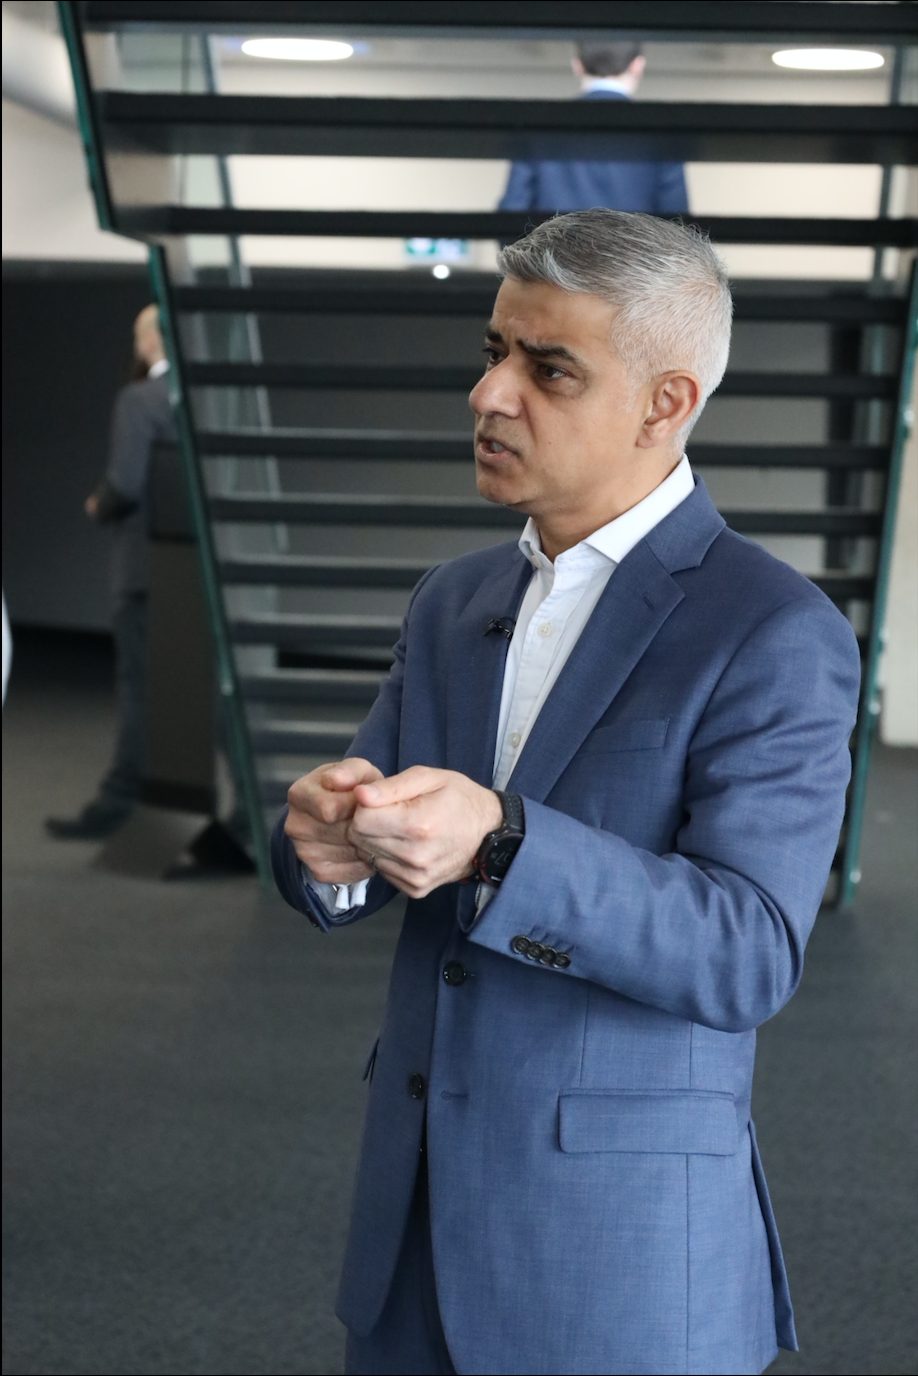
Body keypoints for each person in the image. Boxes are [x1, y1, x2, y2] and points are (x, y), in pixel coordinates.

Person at [271, 210, 860, 1376]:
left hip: (619, 1264)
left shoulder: (773, 630)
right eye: (493, 352)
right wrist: (324, 846)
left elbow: (747, 950)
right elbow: (350, 848)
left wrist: (501, 841)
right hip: (410, 1241)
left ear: (665, 403)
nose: (490, 395)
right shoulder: (451, 598)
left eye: (548, 370)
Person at [46, 305, 177, 840]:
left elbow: (123, 483)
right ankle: (235, 813)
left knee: (139, 689)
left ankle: (121, 799)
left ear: (150, 342)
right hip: (193, 577)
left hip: (144, 572)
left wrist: (97, 505)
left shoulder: (140, 399)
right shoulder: (208, 401)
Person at [499, 42, 689, 216]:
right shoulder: (661, 133)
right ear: (638, 65)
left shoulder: (539, 127)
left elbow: (513, 209)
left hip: (556, 251)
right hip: (632, 252)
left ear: (577, 66)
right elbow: (677, 221)